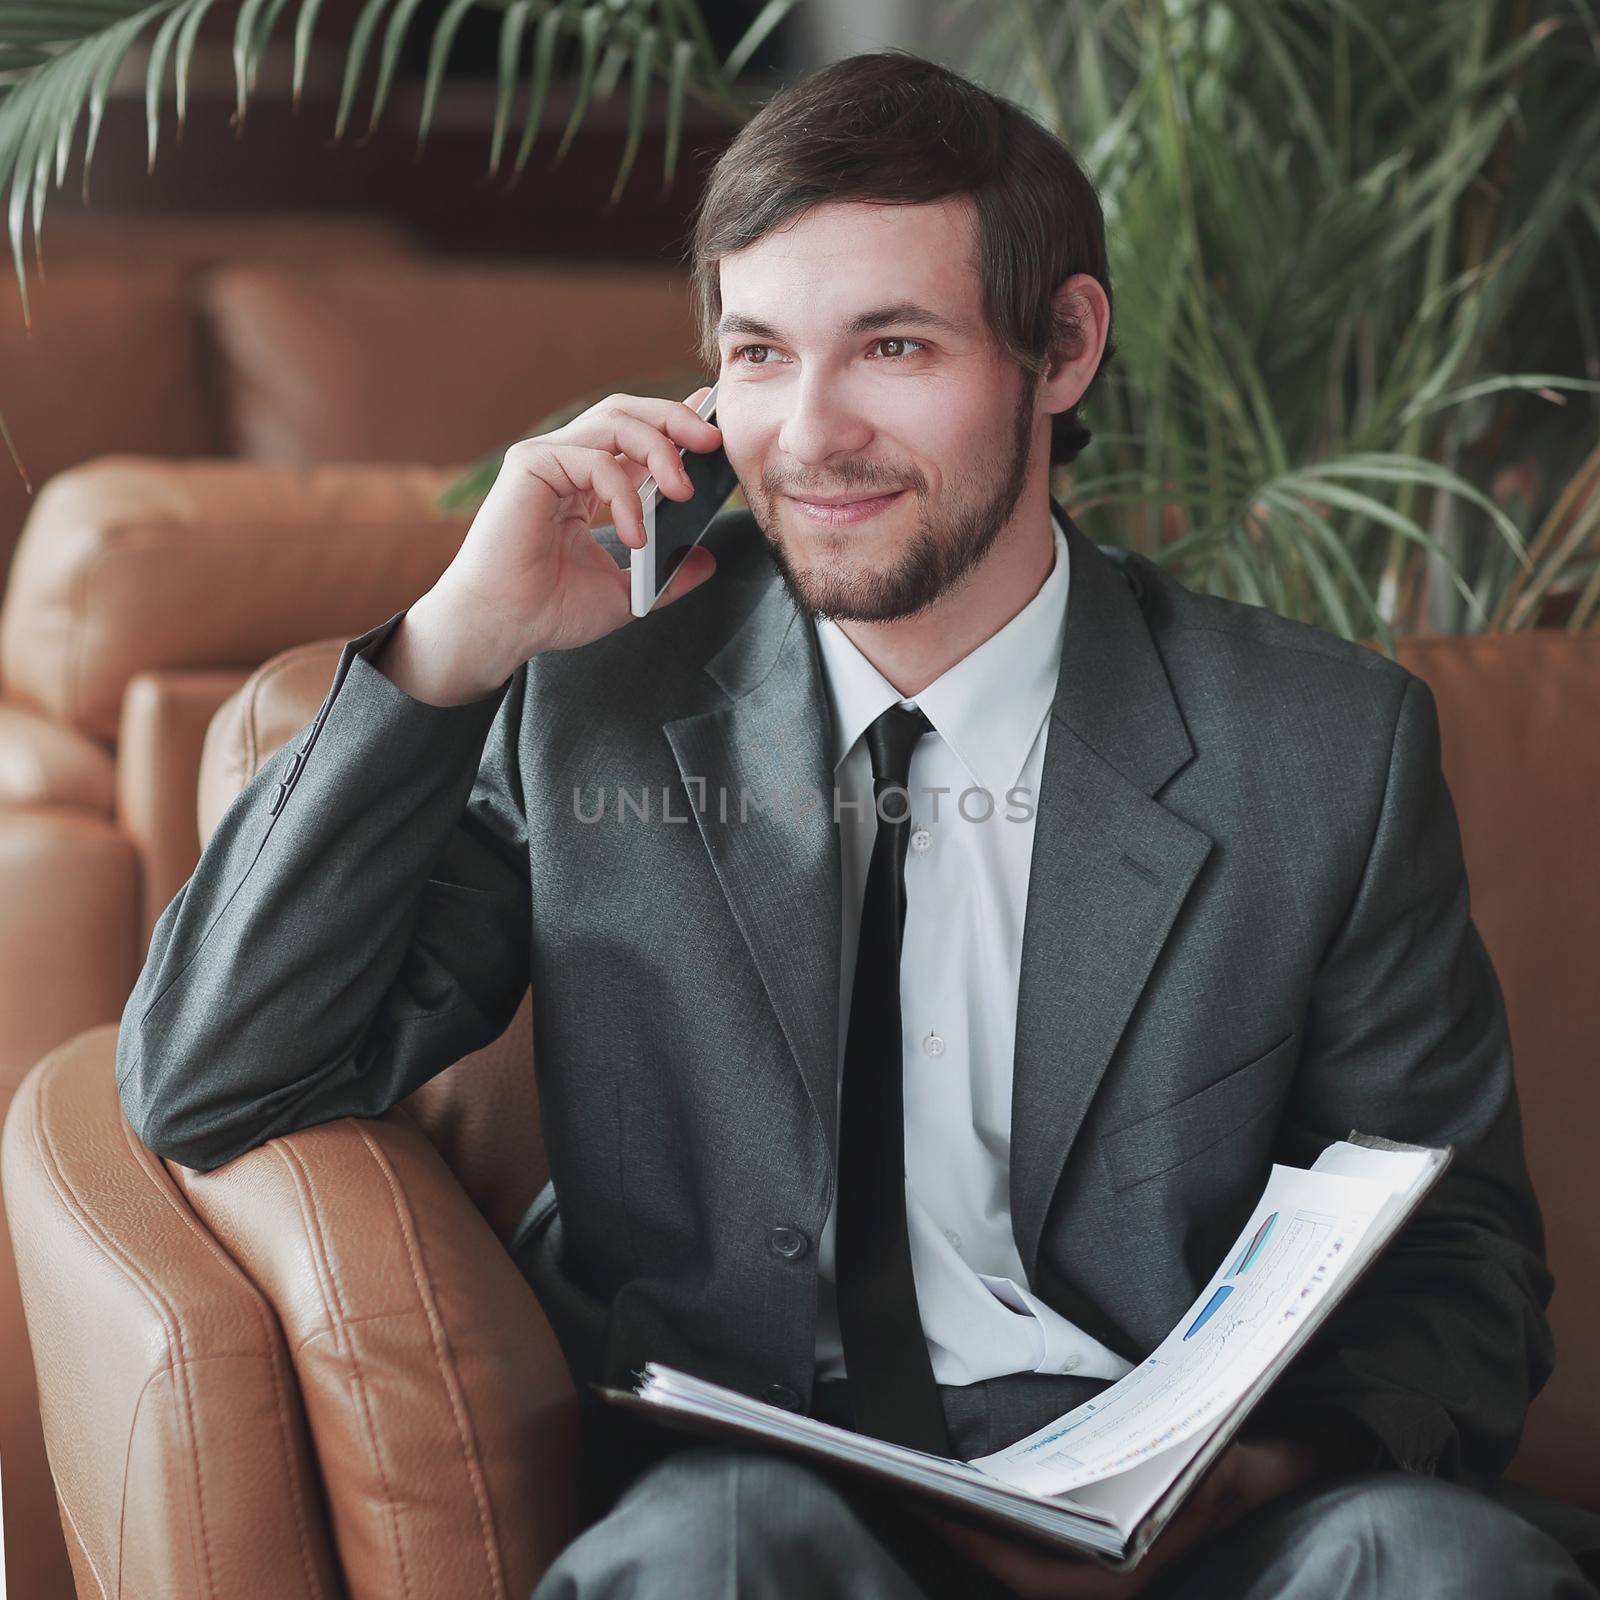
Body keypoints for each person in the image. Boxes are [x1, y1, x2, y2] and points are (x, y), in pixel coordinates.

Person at [116, 49, 1600, 1599]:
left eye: (891, 345)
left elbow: (1458, 1257)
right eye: (757, 355)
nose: (809, 434)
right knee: (717, 1558)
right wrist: (454, 640)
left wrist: (1267, 1475)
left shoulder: (1316, 749)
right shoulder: (590, 704)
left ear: (1064, 344)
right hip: (762, 1502)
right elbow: (208, 1078)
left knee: (1434, 1565)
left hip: (1188, 1543)